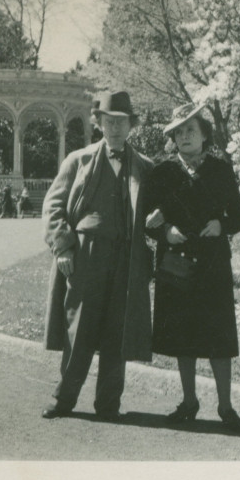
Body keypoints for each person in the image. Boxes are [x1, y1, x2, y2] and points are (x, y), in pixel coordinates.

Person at [41, 90, 154, 421]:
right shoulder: (79, 160)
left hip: (126, 257)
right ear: (99, 123)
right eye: (108, 122)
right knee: (80, 329)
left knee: (117, 331)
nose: (115, 129)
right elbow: (53, 206)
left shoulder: (144, 167)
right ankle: (64, 399)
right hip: (86, 255)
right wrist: (62, 247)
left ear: (131, 125)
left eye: (121, 122)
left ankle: (108, 405)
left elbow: (158, 211)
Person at [144, 103, 240, 432]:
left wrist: (221, 224)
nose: (186, 136)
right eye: (179, 132)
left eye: (192, 130)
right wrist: (164, 231)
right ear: (173, 138)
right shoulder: (161, 172)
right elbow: (147, 221)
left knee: (218, 336)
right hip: (175, 266)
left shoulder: (220, 170)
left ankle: (225, 406)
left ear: (204, 134)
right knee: (182, 336)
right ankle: (189, 402)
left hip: (213, 264)